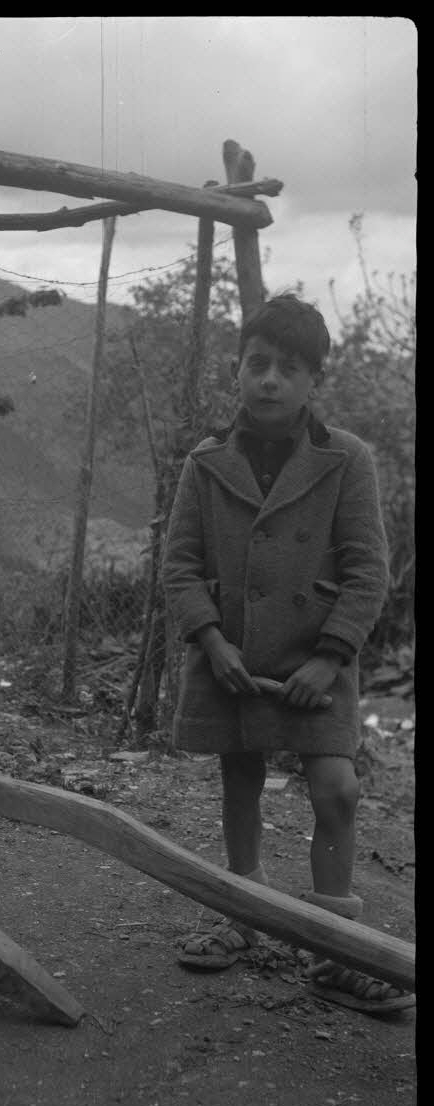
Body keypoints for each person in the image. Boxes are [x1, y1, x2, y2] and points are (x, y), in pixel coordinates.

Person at [161, 293, 413, 1015]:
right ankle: (242, 912)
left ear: (313, 381)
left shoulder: (347, 459)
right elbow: (180, 566)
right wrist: (213, 643)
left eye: (289, 369)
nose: (270, 380)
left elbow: (368, 570)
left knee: (337, 789)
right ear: (237, 371)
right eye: (258, 364)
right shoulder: (206, 462)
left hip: (317, 658)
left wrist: (330, 658)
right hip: (231, 655)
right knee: (239, 778)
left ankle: (337, 948)